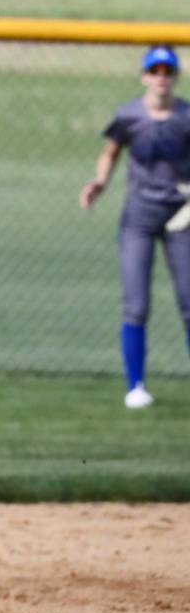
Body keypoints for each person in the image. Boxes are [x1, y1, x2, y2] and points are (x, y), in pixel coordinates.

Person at [80, 45, 190, 409]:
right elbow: (111, 152)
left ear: (175, 76)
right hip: (140, 217)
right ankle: (136, 386)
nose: (161, 77)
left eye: (167, 70)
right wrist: (99, 182)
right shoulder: (129, 115)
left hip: (182, 218)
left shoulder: (186, 117)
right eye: (155, 70)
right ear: (145, 75)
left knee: (189, 302)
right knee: (136, 305)